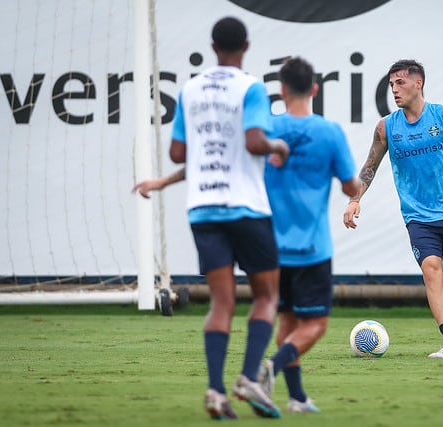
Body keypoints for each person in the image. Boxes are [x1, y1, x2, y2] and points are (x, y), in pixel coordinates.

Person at [134, 16, 289, 420]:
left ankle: (216, 391)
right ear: (246, 46)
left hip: (202, 208)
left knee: (221, 303)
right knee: (267, 296)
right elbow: (255, 142)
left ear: (213, 46)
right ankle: (249, 378)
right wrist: (277, 145)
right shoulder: (252, 87)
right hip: (246, 208)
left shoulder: (190, 90)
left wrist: (161, 182)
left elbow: (181, 154)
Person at [343, 59, 443, 359]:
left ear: (418, 84)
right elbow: (370, 167)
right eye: (392, 84)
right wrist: (355, 199)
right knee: (432, 271)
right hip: (418, 217)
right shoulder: (386, 127)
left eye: (400, 83)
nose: (394, 89)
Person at [258, 57, 359, 413]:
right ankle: (271, 366)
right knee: (315, 324)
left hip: (271, 246)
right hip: (312, 247)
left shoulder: (266, 130)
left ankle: (297, 398)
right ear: (315, 89)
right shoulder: (329, 132)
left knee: (287, 321)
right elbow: (351, 185)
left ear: (281, 90)